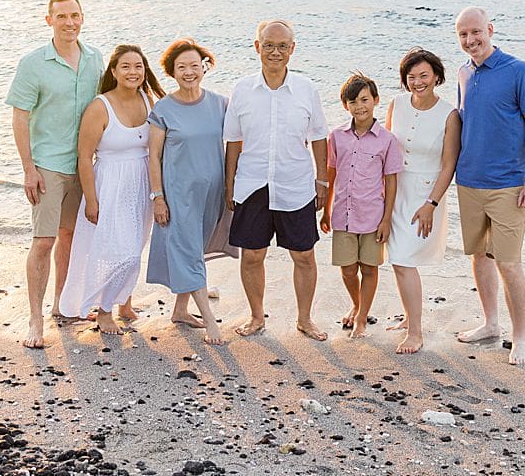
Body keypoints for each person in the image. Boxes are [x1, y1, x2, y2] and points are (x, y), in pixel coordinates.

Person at [6, 0, 104, 349]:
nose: (69, 22)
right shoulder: (34, 63)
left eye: (75, 15)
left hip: (84, 164)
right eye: (61, 16)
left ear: (83, 17)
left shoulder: (95, 59)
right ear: (49, 20)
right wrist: (28, 168)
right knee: (44, 240)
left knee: (70, 237)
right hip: (47, 165)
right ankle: (35, 319)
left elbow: (106, 106)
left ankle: (63, 305)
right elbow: (20, 117)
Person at [223, 20, 330, 340]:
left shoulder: (306, 89)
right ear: (257, 47)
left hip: (295, 184)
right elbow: (233, 141)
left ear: (292, 50)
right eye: (268, 45)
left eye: (283, 46)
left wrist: (322, 182)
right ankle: (257, 317)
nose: (275, 52)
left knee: (304, 255)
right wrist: (230, 186)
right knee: (252, 255)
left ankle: (305, 319)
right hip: (252, 184)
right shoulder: (242, 89)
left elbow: (320, 137)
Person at [453, 7, 525, 365]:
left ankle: (520, 337)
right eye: (463, 35)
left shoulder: (518, 71)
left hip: (509, 185)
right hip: (469, 182)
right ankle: (491, 324)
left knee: (508, 263)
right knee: (480, 257)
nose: (470, 40)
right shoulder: (463, 73)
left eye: (475, 32)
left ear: (490, 29)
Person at [59, 45, 166, 335]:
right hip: (110, 184)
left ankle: (125, 304)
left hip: (141, 183)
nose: (133, 72)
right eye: (126, 66)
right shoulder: (100, 106)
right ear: (114, 71)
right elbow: (84, 156)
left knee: (136, 243)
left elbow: (158, 146)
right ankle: (104, 311)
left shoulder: (147, 99)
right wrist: (91, 200)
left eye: (139, 66)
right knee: (120, 251)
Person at [146, 38, 234, 346]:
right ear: (172, 71)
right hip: (178, 195)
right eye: (181, 67)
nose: (189, 72)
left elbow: (243, 139)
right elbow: (153, 157)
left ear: (204, 68)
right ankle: (210, 322)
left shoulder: (220, 103)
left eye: (194, 66)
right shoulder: (163, 109)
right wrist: (157, 197)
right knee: (187, 253)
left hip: (212, 195)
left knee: (194, 250)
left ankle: (181, 311)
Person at [383, 48, 460, 354]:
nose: (417, 82)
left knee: (403, 259)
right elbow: (387, 149)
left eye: (424, 75)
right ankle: (409, 317)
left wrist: (432, 203)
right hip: (395, 190)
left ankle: (416, 332)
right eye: (411, 77)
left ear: (437, 77)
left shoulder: (449, 114)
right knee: (398, 259)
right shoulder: (397, 104)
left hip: (425, 196)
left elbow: (448, 165)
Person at [320, 72, 402, 339]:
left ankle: (362, 318)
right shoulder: (337, 136)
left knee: (369, 268)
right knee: (347, 269)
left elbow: (391, 182)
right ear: (345, 105)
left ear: (376, 100)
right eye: (353, 101)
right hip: (342, 214)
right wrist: (326, 210)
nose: (360, 106)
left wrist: (387, 219)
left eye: (364, 100)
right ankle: (356, 305)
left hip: (372, 216)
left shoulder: (387, 140)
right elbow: (331, 175)